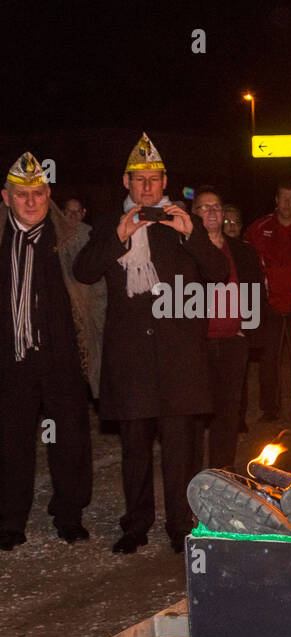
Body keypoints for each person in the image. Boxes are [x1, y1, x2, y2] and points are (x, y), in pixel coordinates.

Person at [73, 133, 227, 554]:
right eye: (139, 179)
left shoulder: (178, 222)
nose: (147, 187)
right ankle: (136, 523)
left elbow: (218, 274)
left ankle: (180, 524)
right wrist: (118, 237)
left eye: (154, 179)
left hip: (178, 361)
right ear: (126, 182)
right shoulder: (110, 224)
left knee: (180, 451)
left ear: (164, 182)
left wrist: (193, 234)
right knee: (135, 450)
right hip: (131, 361)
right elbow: (83, 271)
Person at [0, 153, 93, 550]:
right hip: (11, 362)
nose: (31, 201)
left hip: (62, 360)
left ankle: (69, 515)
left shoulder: (73, 238)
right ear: (6, 198)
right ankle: (9, 521)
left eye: (38, 193)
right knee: (11, 444)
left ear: (48, 194)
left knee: (67, 441)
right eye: (22, 195)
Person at [192, 187, 263, 470]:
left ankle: (222, 473)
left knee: (228, 414)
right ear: (194, 214)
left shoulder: (242, 252)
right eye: (204, 207)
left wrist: (250, 330)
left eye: (217, 207)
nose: (212, 212)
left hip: (233, 342)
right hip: (197, 344)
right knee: (195, 414)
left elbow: (257, 292)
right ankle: (194, 476)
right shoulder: (186, 250)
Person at [244, 182, 291, 423]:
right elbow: (246, 260)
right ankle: (270, 409)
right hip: (270, 305)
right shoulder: (259, 228)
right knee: (269, 359)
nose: (287, 203)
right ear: (276, 200)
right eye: (283, 198)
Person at [55, 197, 108, 400]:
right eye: (69, 211)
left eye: (78, 211)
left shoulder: (90, 235)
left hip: (91, 306)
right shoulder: (56, 238)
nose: (73, 216)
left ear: (84, 213)